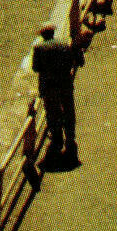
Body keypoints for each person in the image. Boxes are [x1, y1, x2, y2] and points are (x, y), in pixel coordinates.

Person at [31, 23, 79, 164]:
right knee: (69, 110)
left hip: (50, 87)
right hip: (65, 83)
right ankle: (70, 137)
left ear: (42, 35)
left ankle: (57, 140)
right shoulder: (64, 44)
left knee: (53, 113)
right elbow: (71, 61)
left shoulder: (39, 48)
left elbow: (35, 68)